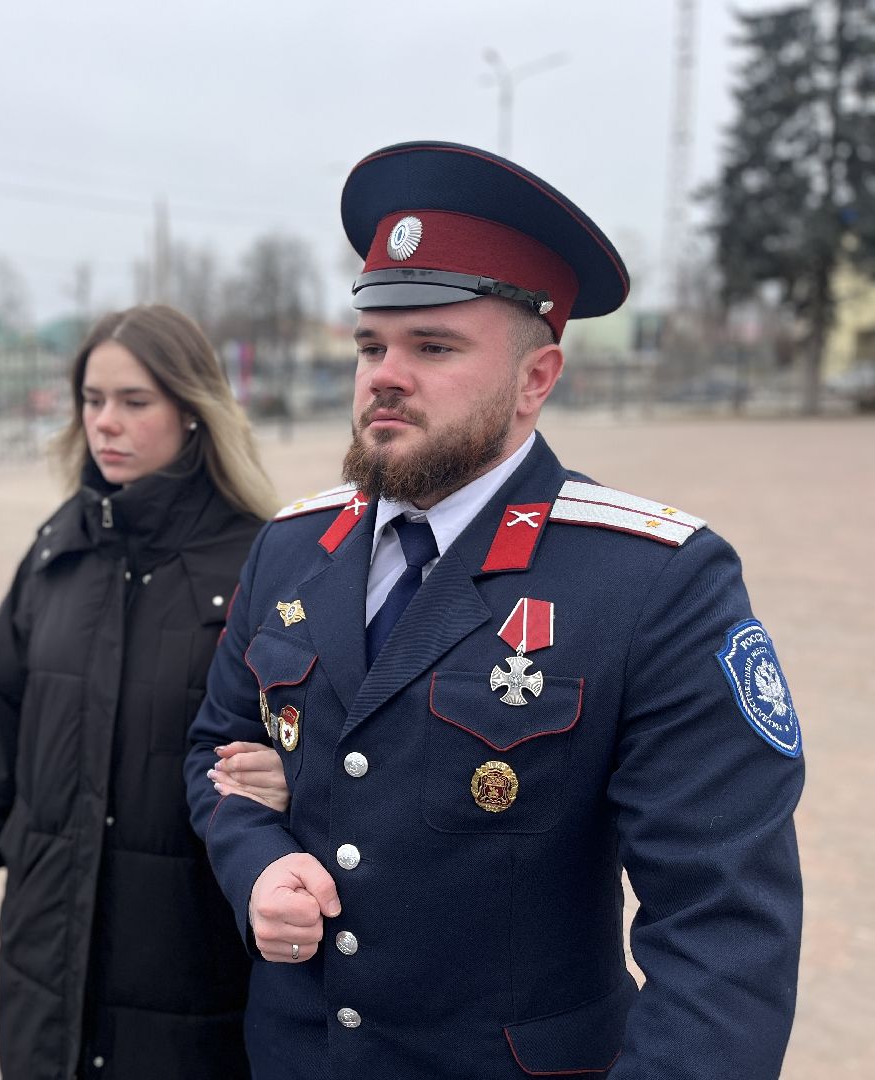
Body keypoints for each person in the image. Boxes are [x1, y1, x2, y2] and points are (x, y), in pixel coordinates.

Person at [185, 141, 804, 1079]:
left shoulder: (653, 582)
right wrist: (255, 861)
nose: (385, 375)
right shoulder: (291, 548)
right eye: (371, 346)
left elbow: (723, 930)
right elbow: (214, 753)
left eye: (433, 347)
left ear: (535, 379)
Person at [0, 304, 288, 1079]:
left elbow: (315, 736)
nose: (105, 423)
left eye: (134, 401)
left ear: (192, 411)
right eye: (93, 400)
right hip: (49, 942)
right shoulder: (59, 551)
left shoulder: (260, 560)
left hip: (188, 952)